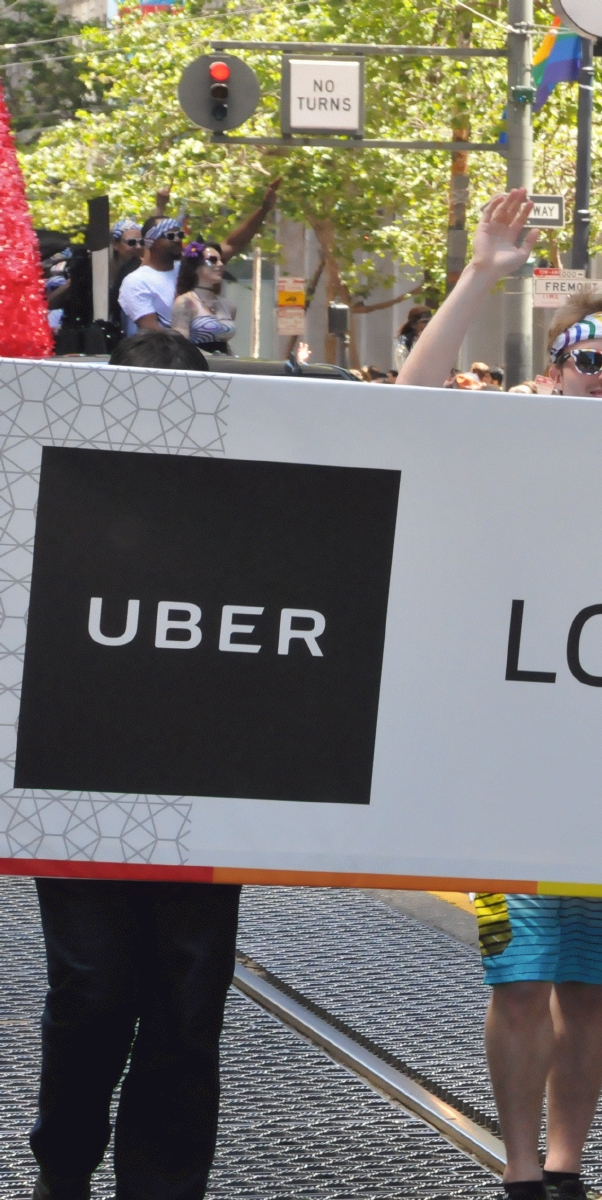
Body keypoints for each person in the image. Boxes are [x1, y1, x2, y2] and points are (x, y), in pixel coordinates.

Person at [394, 192, 602, 1200]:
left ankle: (566, 1168)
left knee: (589, 988)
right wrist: (481, 274)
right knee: (519, 983)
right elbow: (408, 407)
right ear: (556, 369)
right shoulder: (509, 437)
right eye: (588, 359)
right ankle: (516, 1172)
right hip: (512, 768)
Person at [31, 329, 240, 1200]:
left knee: (187, 1008)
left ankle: (161, 1184)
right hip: (79, 786)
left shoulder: (243, 509)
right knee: (93, 994)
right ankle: (68, 1168)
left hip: (207, 791)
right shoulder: (58, 489)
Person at [118, 218, 186, 336]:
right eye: (170, 236)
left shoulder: (188, 270)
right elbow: (151, 329)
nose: (177, 239)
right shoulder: (136, 281)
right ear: (150, 242)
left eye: (179, 234)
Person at [170, 242, 237, 354]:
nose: (220, 264)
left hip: (224, 367)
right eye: (213, 260)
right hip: (197, 366)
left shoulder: (229, 306)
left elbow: (224, 343)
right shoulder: (185, 302)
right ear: (196, 267)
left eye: (221, 260)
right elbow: (181, 345)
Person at [395, 304, 433, 368]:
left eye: (431, 321)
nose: (429, 325)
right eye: (425, 322)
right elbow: (404, 372)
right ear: (413, 325)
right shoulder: (404, 346)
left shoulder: (437, 341)